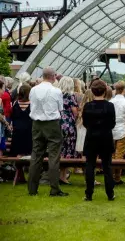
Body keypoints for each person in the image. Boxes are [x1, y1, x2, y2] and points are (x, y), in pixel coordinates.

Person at [28, 67, 68, 197]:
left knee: (36, 156)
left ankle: (32, 189)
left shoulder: (33, 90)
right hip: (51, 123)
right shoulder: (56, 91)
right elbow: (60, 109)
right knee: (54, 157)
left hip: (36, 124)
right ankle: (54, 189)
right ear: (53, 76)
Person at [82, 79, 116, 201]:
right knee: (107, 166)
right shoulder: (110, 106)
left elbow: (85, 123)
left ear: (92, 91)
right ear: (105, 91)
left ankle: (89, 194)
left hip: (91, 137)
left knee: (90, 165)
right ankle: (110, 193)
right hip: (106, 137)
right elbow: (112, 123)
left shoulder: (87, 106)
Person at [110, 81, 125, 185]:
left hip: (111, 130)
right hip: (123, 130)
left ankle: (112, 176)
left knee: (112, 154)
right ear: (124, 90)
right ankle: (116, 178)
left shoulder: (110, 101)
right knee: (119, 155)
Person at [57, 77, 79, 185]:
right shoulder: (70, 96)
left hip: (57, 123)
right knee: (67, 151)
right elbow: (75, 111)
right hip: (68, 124)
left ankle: (60, 175)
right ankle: (63, 175)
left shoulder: (56, 94)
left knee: (60, 150)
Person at [10, 83, 33, 157]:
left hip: (17, 130)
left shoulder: (15, 103)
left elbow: (12, 116)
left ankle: (18, 168)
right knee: (28, 152)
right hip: (29, 130)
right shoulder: (32, 104)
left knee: (18, 153)